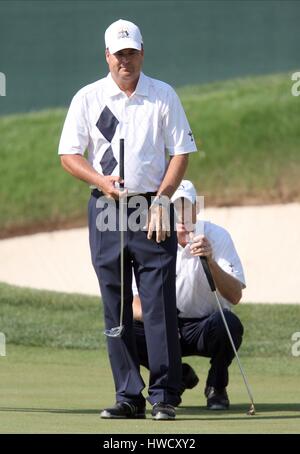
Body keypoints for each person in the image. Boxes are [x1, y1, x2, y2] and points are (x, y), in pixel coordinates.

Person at [58, 19, 197, 420]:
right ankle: (128, 395)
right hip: (106, 207)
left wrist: (163, 199)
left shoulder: (162, 95)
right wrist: (101, 181)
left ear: (141, 53)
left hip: (152, 207)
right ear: (107, 56)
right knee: (115, 305)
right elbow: (69, 154)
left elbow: (181, 153)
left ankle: (165, 394)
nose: (126, 61)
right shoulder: (87, 97)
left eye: (132, 53)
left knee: (158, 304)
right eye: (119, 54)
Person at [132, 180, 246, 410]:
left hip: (205, 327)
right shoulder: (152, 237)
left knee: (229, 324)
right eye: (174, 208)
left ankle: (216, 386)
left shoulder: (217, 236)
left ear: (196, 209)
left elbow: (234, 296)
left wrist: (210, 261)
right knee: (126, 329)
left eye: (187, 208)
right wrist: (160, 320)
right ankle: (178, 374)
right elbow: (134, 302)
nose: (181, 215)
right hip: (166, 327)